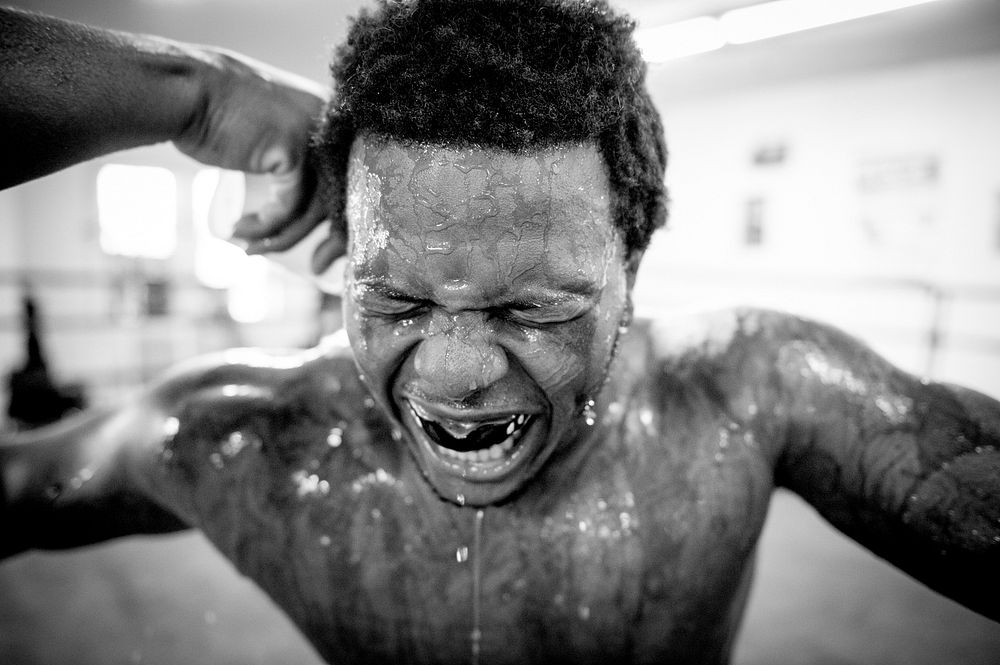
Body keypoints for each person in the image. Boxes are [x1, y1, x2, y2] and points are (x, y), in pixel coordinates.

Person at [1, 1, 997, 664]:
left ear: (632, 267)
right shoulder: (248, 436)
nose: (458, 372)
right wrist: (192, 91)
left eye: (532, 307)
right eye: (395, 302)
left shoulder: (749, 390)